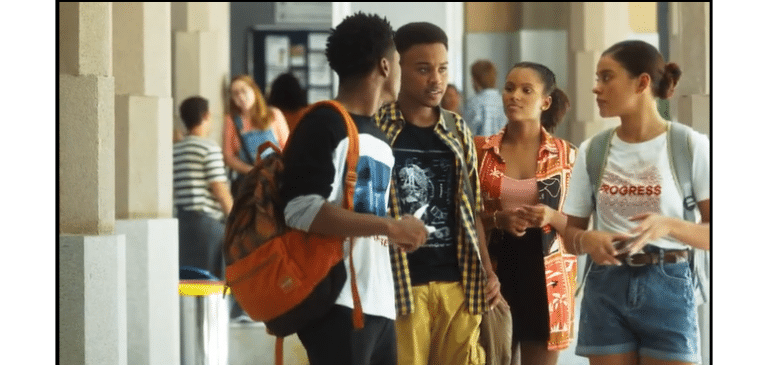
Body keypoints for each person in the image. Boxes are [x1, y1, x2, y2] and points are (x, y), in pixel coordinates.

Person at [279, 12, 429, 365]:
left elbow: (362, 215)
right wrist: (389, 226)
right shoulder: (322, 123)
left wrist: (395, 229)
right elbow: (299, 209)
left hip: (378, 301)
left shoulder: (378, 136)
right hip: (336, 302)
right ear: (385, 66)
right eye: (398, 61)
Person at [562, 40, 710, 365]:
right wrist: (588, 240)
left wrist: (668, 225)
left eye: (606, 77)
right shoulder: (592, 151)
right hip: (606, 286)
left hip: (669, 286)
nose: (596, 87)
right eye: (597, 78)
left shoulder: (690, 146)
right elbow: (570, 236)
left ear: (642, 82)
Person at [375, 22, 500, 365]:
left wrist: (488, 271)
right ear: (397, 67)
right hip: (400, 285)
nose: (436, 80)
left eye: (443, 69)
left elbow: (472, 209)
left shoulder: (457, 129)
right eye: (423, 69)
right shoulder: (378, 128)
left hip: (459, 283)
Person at [475, 62, 577, 365]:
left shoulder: (567, 156)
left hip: (547, 279)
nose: (514, 96)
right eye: (509, 88)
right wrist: (498, 219)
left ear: (545, 102)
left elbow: (583, 230)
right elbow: (464, 217)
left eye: (525, 90)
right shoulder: (481, 152)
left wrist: (551, 216)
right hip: (493, 271)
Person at [173, 96, 233, 278]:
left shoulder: (175, 150)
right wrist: (235, 219)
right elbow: (219, 190)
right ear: (206, 116)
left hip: (181, 224)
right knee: (212, 282)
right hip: (207, 226)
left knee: (188, 279)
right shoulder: (209, 148)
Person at [223, 74, 290, 197]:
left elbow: (288, 148)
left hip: (275, 183)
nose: (240, 96)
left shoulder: (273, 115)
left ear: (254, 90)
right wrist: (253, 171)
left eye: (243, 91)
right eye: (235, 93)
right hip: (248, 185)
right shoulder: (231, 120)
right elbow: (228, 156)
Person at [464, 59, 506, 137]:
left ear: (475, 80)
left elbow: (467, 133)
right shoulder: (504, 101)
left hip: (480, 144)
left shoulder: (473, 103)